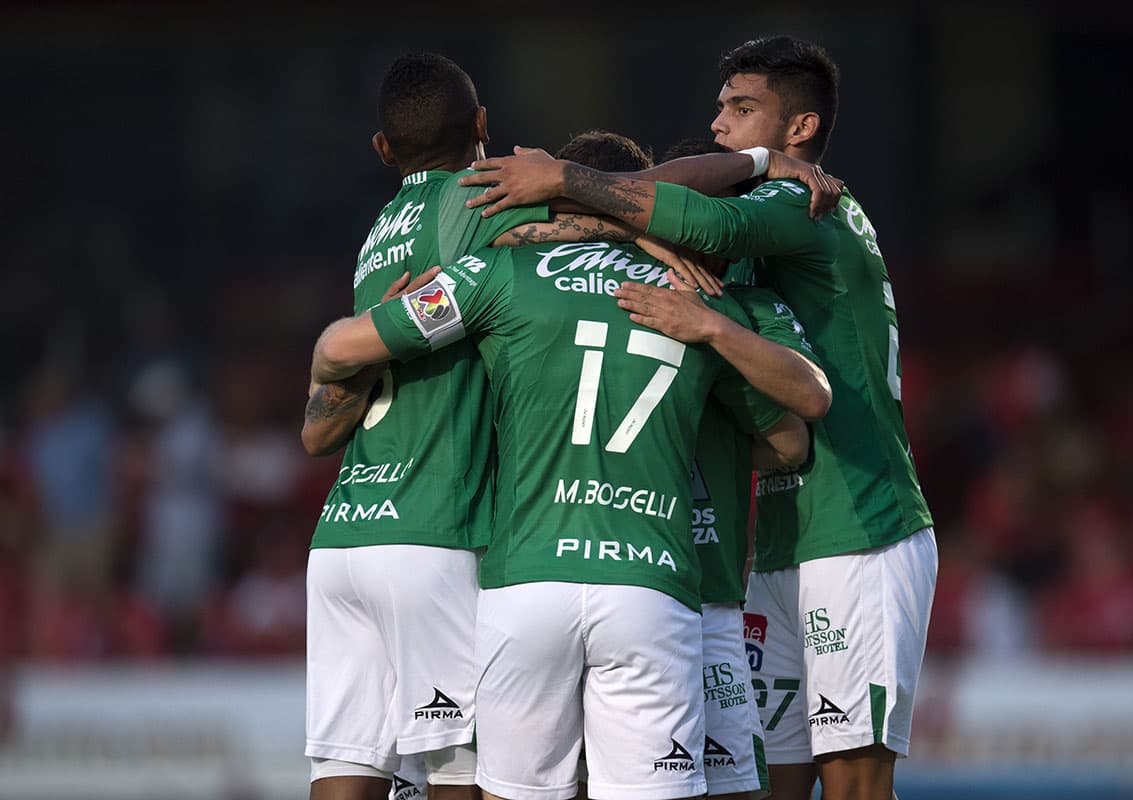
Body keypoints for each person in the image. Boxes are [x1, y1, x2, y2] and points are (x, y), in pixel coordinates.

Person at [456, 36, 938, 800]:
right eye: (719, 109)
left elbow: (697, 220)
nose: (719, 125)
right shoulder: (758, 228)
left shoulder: (801, 201)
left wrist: (565, 186)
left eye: (742, 110)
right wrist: (600, 220)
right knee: (773, 779)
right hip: (777, 538)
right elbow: (673, 209)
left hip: (858, 519)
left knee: (852, 781)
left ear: (801, 129)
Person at [306, 211, 825, 800]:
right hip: (650, 583)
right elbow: (792, 436)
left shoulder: (504, 276)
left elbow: (335, 357)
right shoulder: (697, 307)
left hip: (525, 581)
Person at [301, 52, 558, 800]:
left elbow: (318, 434)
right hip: (433, 527)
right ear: (481, 126)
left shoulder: (378, 234)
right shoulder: (485, 202)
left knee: (347, 767)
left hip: (344, 535)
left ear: (384, 150)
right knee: (460, 772)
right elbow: (616, 213)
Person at [560, 132, 831, 800]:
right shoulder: (729, 308)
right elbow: (791, 439)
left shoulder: (536, 296)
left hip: (547, 576)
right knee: (723, 785)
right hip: (693, 586)